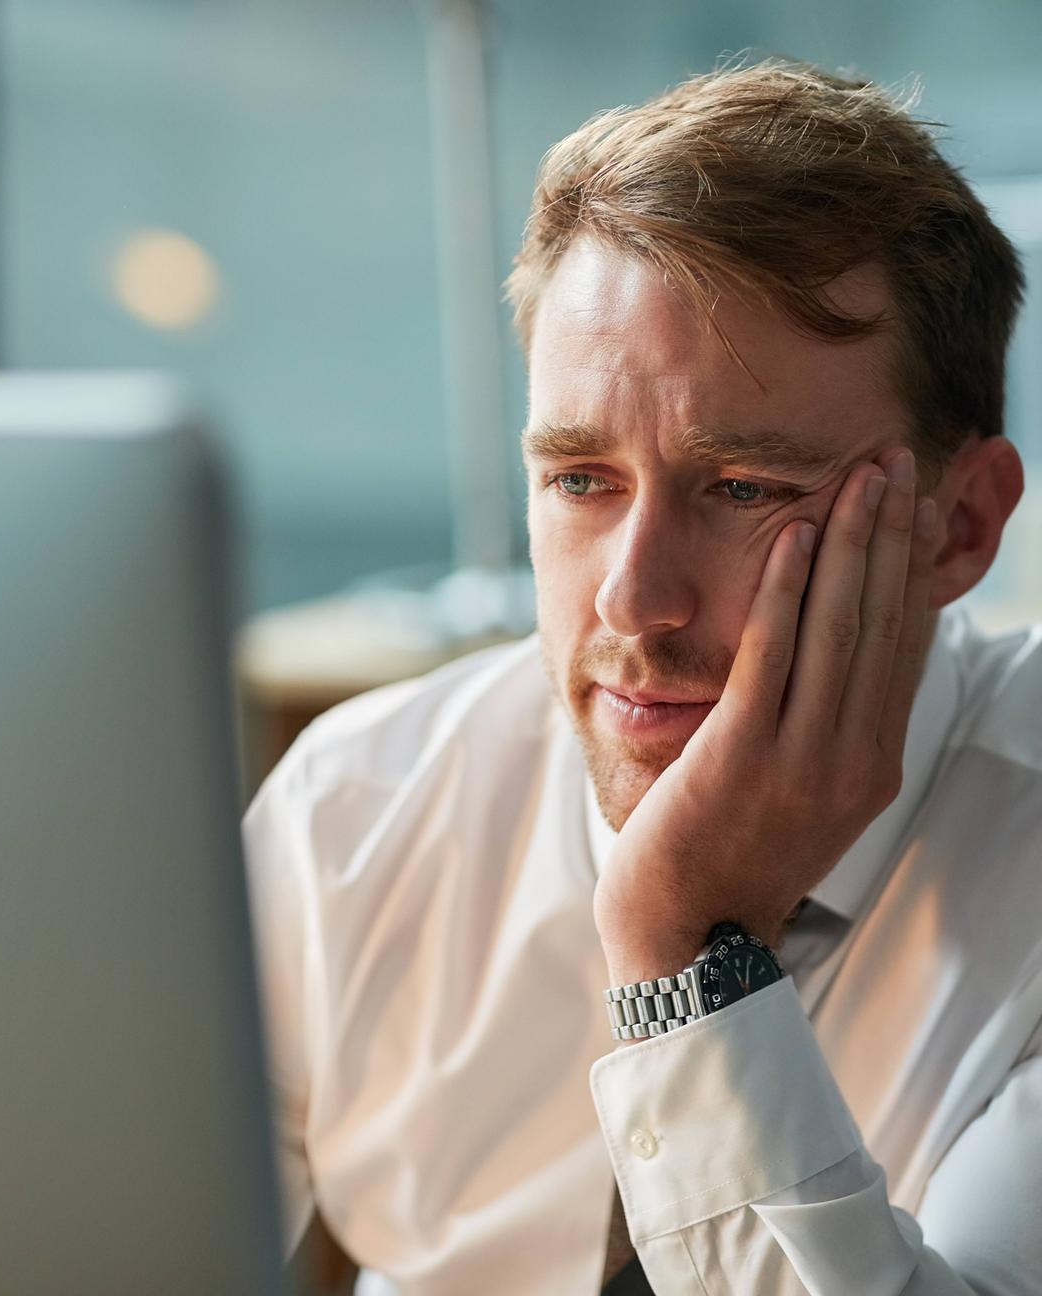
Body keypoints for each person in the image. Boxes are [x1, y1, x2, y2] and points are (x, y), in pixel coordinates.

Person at [243, 59, 1042, 1294]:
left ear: (961, 528)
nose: (631, 599)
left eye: (744, 490)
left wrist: (681, 952)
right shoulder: (353, 817)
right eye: (579, 481)